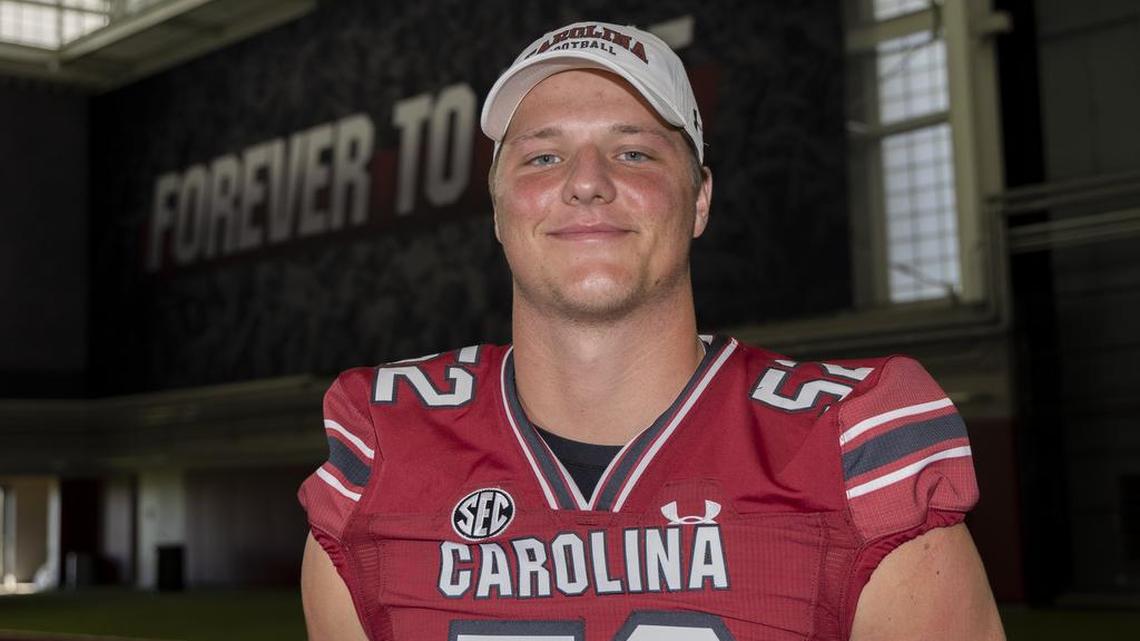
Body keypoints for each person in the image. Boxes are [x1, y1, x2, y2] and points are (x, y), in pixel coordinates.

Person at [299, 20, 1006, 641]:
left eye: (633, 152)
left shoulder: (849, 446)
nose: (586, 181)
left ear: (699, 199)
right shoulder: (382, 454)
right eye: (542, 156)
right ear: (496, 209)